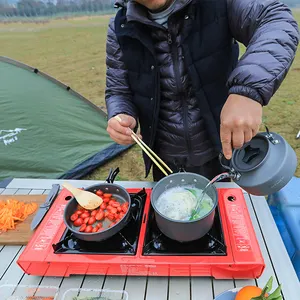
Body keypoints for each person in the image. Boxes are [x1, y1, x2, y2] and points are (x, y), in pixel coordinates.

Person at [105, 0, 299, 182]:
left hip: (225, 148)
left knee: (229, 212)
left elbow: (275, 20)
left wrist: (248, 90)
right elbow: (118, 89)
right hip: (165, 156)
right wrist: (120, 113)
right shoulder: (120, 27)